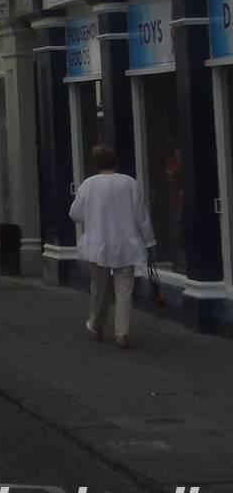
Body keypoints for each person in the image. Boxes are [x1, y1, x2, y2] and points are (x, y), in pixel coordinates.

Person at [69, 144, 155, 348]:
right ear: (115, 162)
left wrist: (93, 217)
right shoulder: (129, 183)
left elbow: (75, 214)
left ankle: (96, 326)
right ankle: (122, 333)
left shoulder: (89, 185)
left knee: (99, 287)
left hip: (98, 244)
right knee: (124, 288)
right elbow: (141, 216)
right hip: (126, 243)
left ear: (95, 164)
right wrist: (149, 241)